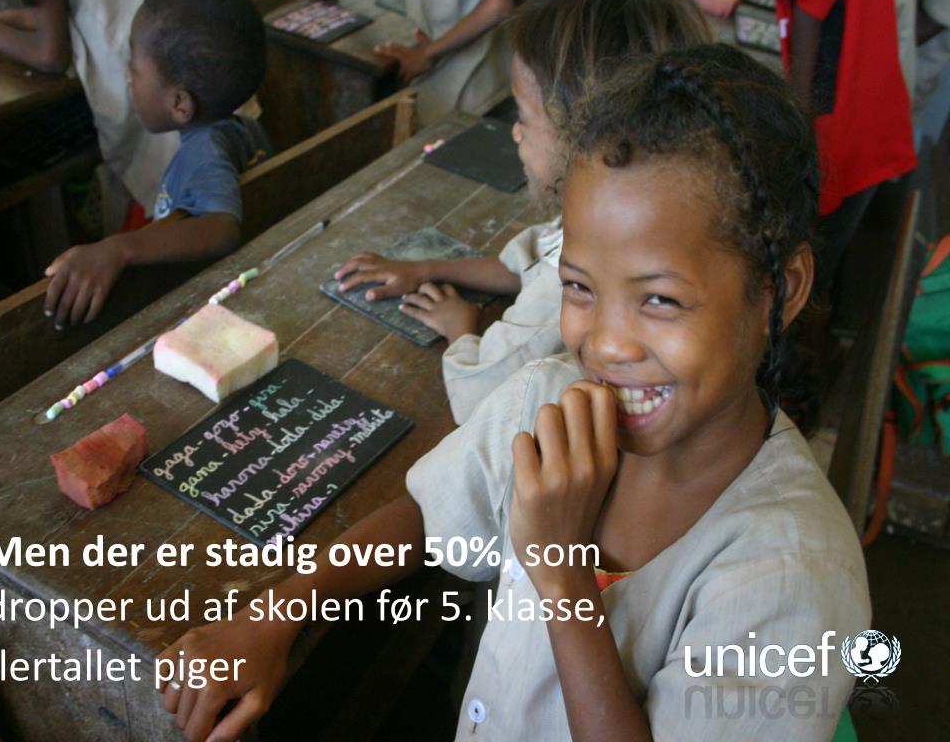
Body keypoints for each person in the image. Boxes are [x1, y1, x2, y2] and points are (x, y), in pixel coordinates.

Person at [153, 43, 869, 742]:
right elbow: (430, 514)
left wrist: (561, 576)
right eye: (579, 287)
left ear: (781, 290)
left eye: (659, 300)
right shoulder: (549, 400)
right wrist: (276, 614)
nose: (605, 345)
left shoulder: (792, 579)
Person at [335, 0, 710, 424]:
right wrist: (428, 268)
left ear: (585, 136)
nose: (515, 131)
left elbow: (477, 399)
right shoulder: (626, 222)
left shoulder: (566, 295)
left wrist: (460, 328)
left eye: (525, 118)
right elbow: (528, 264)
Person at [41, 0, 269, 328]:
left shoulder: (203, 153)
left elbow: (222, 227)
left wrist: (119, 248)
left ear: (180, 103)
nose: (127, 77)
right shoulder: (243, 128)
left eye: (134, 68)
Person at [0, 0, 241, 220]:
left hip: (159, 63)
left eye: (132, 71)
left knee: (183, 205)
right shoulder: (230, 134)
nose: (128, 76)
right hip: (203, 39)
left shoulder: (200, 157)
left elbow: (51, 54)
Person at [775, 0, 918, 296]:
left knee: (804, 266)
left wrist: (796, 133)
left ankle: (804, 316)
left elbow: (810, 6)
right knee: (823, 259)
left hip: (837, 136)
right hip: (874, 116)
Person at [290, 0, 514, 124]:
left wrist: (427, 54)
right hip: (441, 53)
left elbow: (498, 5)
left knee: (453, 140)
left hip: (471, 71)